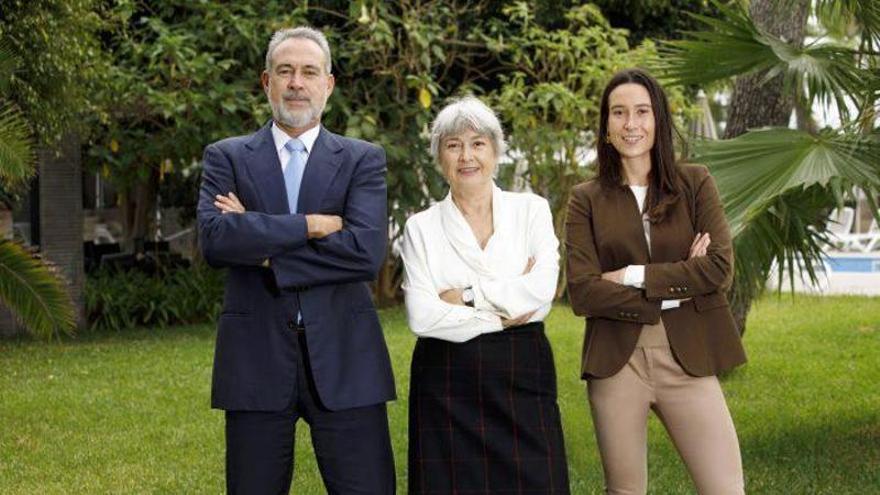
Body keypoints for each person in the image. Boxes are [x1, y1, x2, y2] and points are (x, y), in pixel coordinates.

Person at [197, 26, 396, 494]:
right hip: (255, 359)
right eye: (285, 71)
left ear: (329, 84)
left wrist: (264, 251)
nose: (296, 83)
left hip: (347, 359)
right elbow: (215, 240)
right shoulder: (226, 157)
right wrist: (310, 225)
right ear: (266, 82)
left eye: (309, 72)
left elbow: (365, 253)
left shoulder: (361, 159)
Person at [565, 68, 746, 494]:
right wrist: (678, 284)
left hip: (689, 357)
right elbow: (582, 290)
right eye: (619, 113)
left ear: (658, 120)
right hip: (616, 363)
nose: (631, 124)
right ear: (606, 126)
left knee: (725, 489)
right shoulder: (585, 199)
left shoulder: (695, 182)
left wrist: (630, 276)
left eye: (642, 112)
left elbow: (718, 267)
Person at [400, 96, 570, 494]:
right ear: (440, 156)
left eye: (478, 143)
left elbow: (542, 288)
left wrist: (467, 296)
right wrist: (501, 312)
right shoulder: (420, 227)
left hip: (522, 368)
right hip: (445, 377)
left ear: (496, 151)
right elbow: (422, 316)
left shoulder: (532, 209)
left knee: (539, 482)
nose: (466, 156)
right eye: (453, 144)